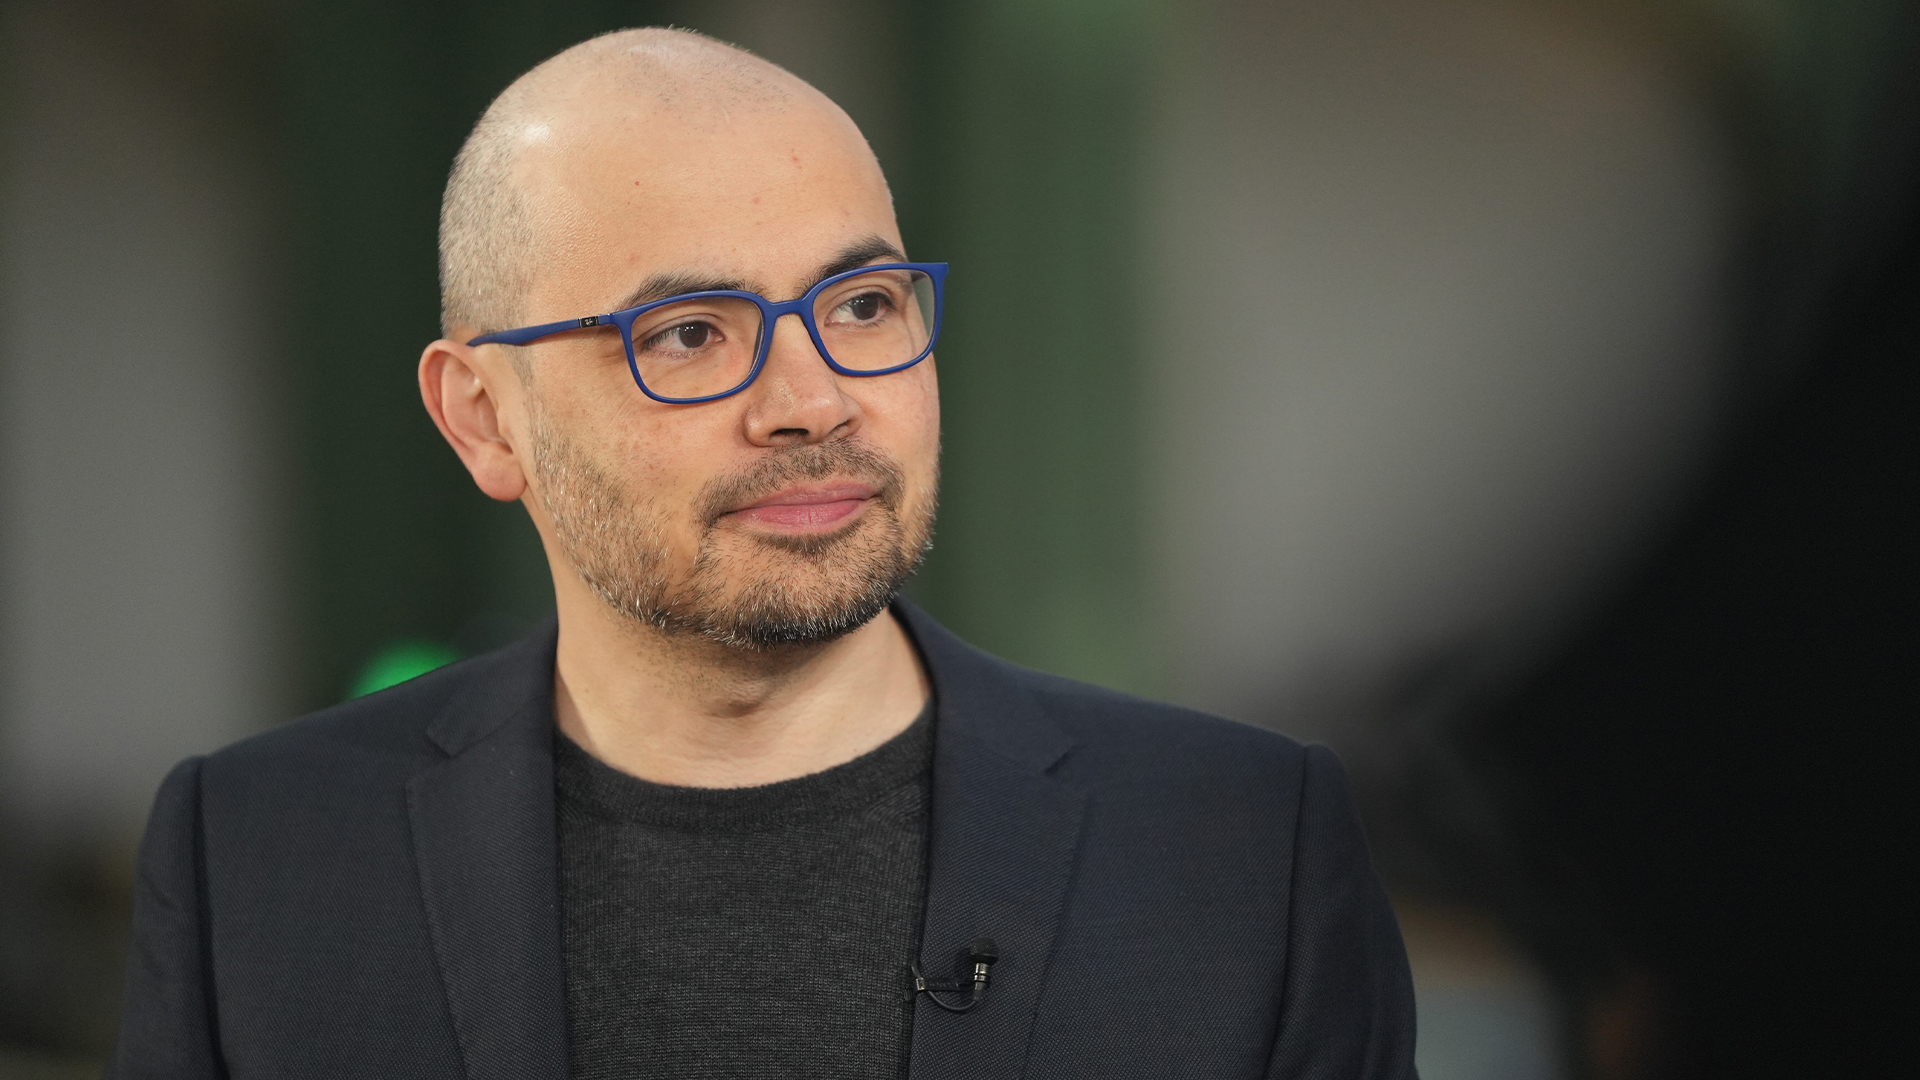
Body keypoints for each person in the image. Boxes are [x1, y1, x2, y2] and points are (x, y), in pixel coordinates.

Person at [109, 28, 1415, 1080]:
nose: (816, 398)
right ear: (482, 418)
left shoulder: (1246, 848)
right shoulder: (257, 858)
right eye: (688, 332)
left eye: (862, 304)